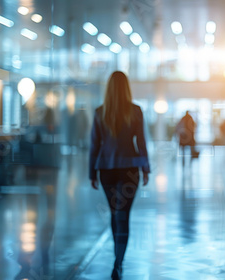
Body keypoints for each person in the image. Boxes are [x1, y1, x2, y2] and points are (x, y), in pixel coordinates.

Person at [89, 71, 150, 280]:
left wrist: (92, 173)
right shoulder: (135, 111)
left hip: (106, 169)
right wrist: (145, 168)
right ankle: (118, 262)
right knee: (123, 215)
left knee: (116, 213)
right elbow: (141, 143)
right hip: (130, 170)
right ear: (126, 88)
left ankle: (117, 259)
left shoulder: (100, 112)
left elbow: (94, 145)